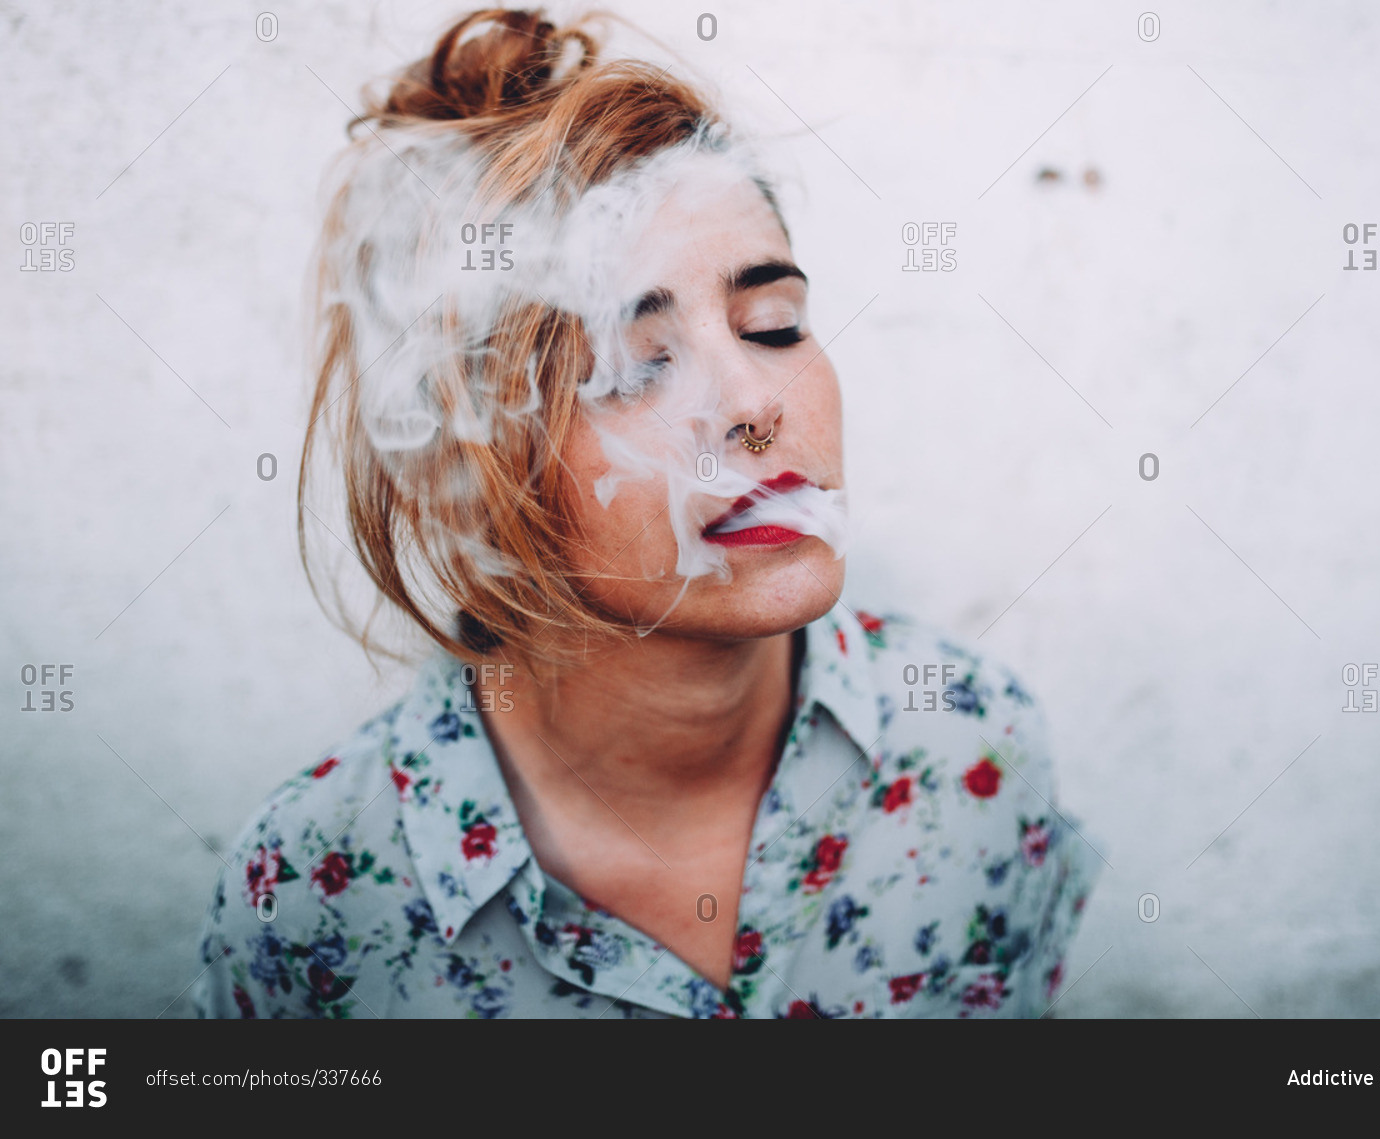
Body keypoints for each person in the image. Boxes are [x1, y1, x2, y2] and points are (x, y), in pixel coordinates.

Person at [193, 6, 1100, 1019]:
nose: (755, 406)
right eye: (637, 365)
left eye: (773, 323)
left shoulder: (973, 747)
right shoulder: (318, 899)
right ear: (472, 465)